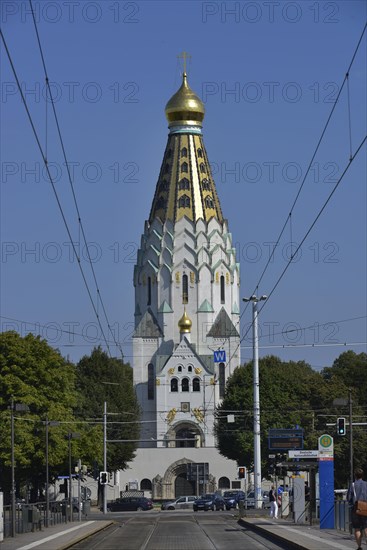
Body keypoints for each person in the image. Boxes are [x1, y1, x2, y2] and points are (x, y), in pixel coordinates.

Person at [347, 468, 367, 550]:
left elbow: (349, 498)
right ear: (362, 475)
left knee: (357, 528)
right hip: (365, 508)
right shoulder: (366, 484)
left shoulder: (353, 485)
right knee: (366, 527)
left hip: (356, 509)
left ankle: (359, 547)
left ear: (355, 475)